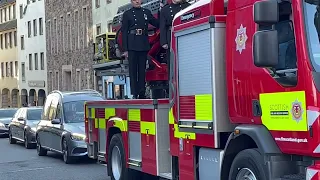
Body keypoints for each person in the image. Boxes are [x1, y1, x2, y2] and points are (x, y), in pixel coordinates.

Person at [122, 0, 159, 99]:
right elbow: (124, 32)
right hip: (132, 44)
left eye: (139, 0)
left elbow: (155, 23)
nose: (137, 1)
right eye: (135, 0)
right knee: (133, 70)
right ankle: (135, 92)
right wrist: (125, 49)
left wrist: (162, 14)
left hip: (143, 42)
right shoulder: (127, 14)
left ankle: (142, 91)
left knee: (142, 69)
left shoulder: (146, 12)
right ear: (131, 1)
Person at [160, 0, 190, 79]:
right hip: (171, 35)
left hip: (185, 34)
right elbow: (162, 27)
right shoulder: (165, 10)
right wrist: (163, 42)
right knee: (172, 61)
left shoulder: (188, 6)